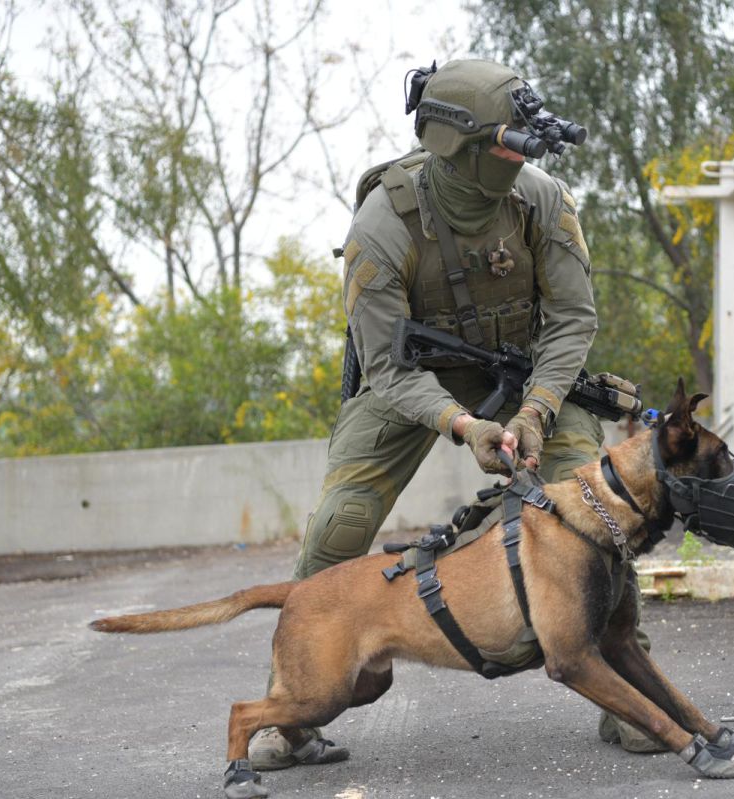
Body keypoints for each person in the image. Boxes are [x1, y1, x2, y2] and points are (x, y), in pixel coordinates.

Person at [249, 57, 660, 771]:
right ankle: (289, 711)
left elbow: (571, 322)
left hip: (525, 375)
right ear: (453, 144)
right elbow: (385, 365)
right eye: (502, 144)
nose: (516, 157)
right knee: (337, 525)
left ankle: (630, 689)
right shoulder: (381, 225)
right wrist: (462, 424)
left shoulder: (542, 201)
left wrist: (536, 409)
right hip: (410, 384)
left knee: (596, 504)